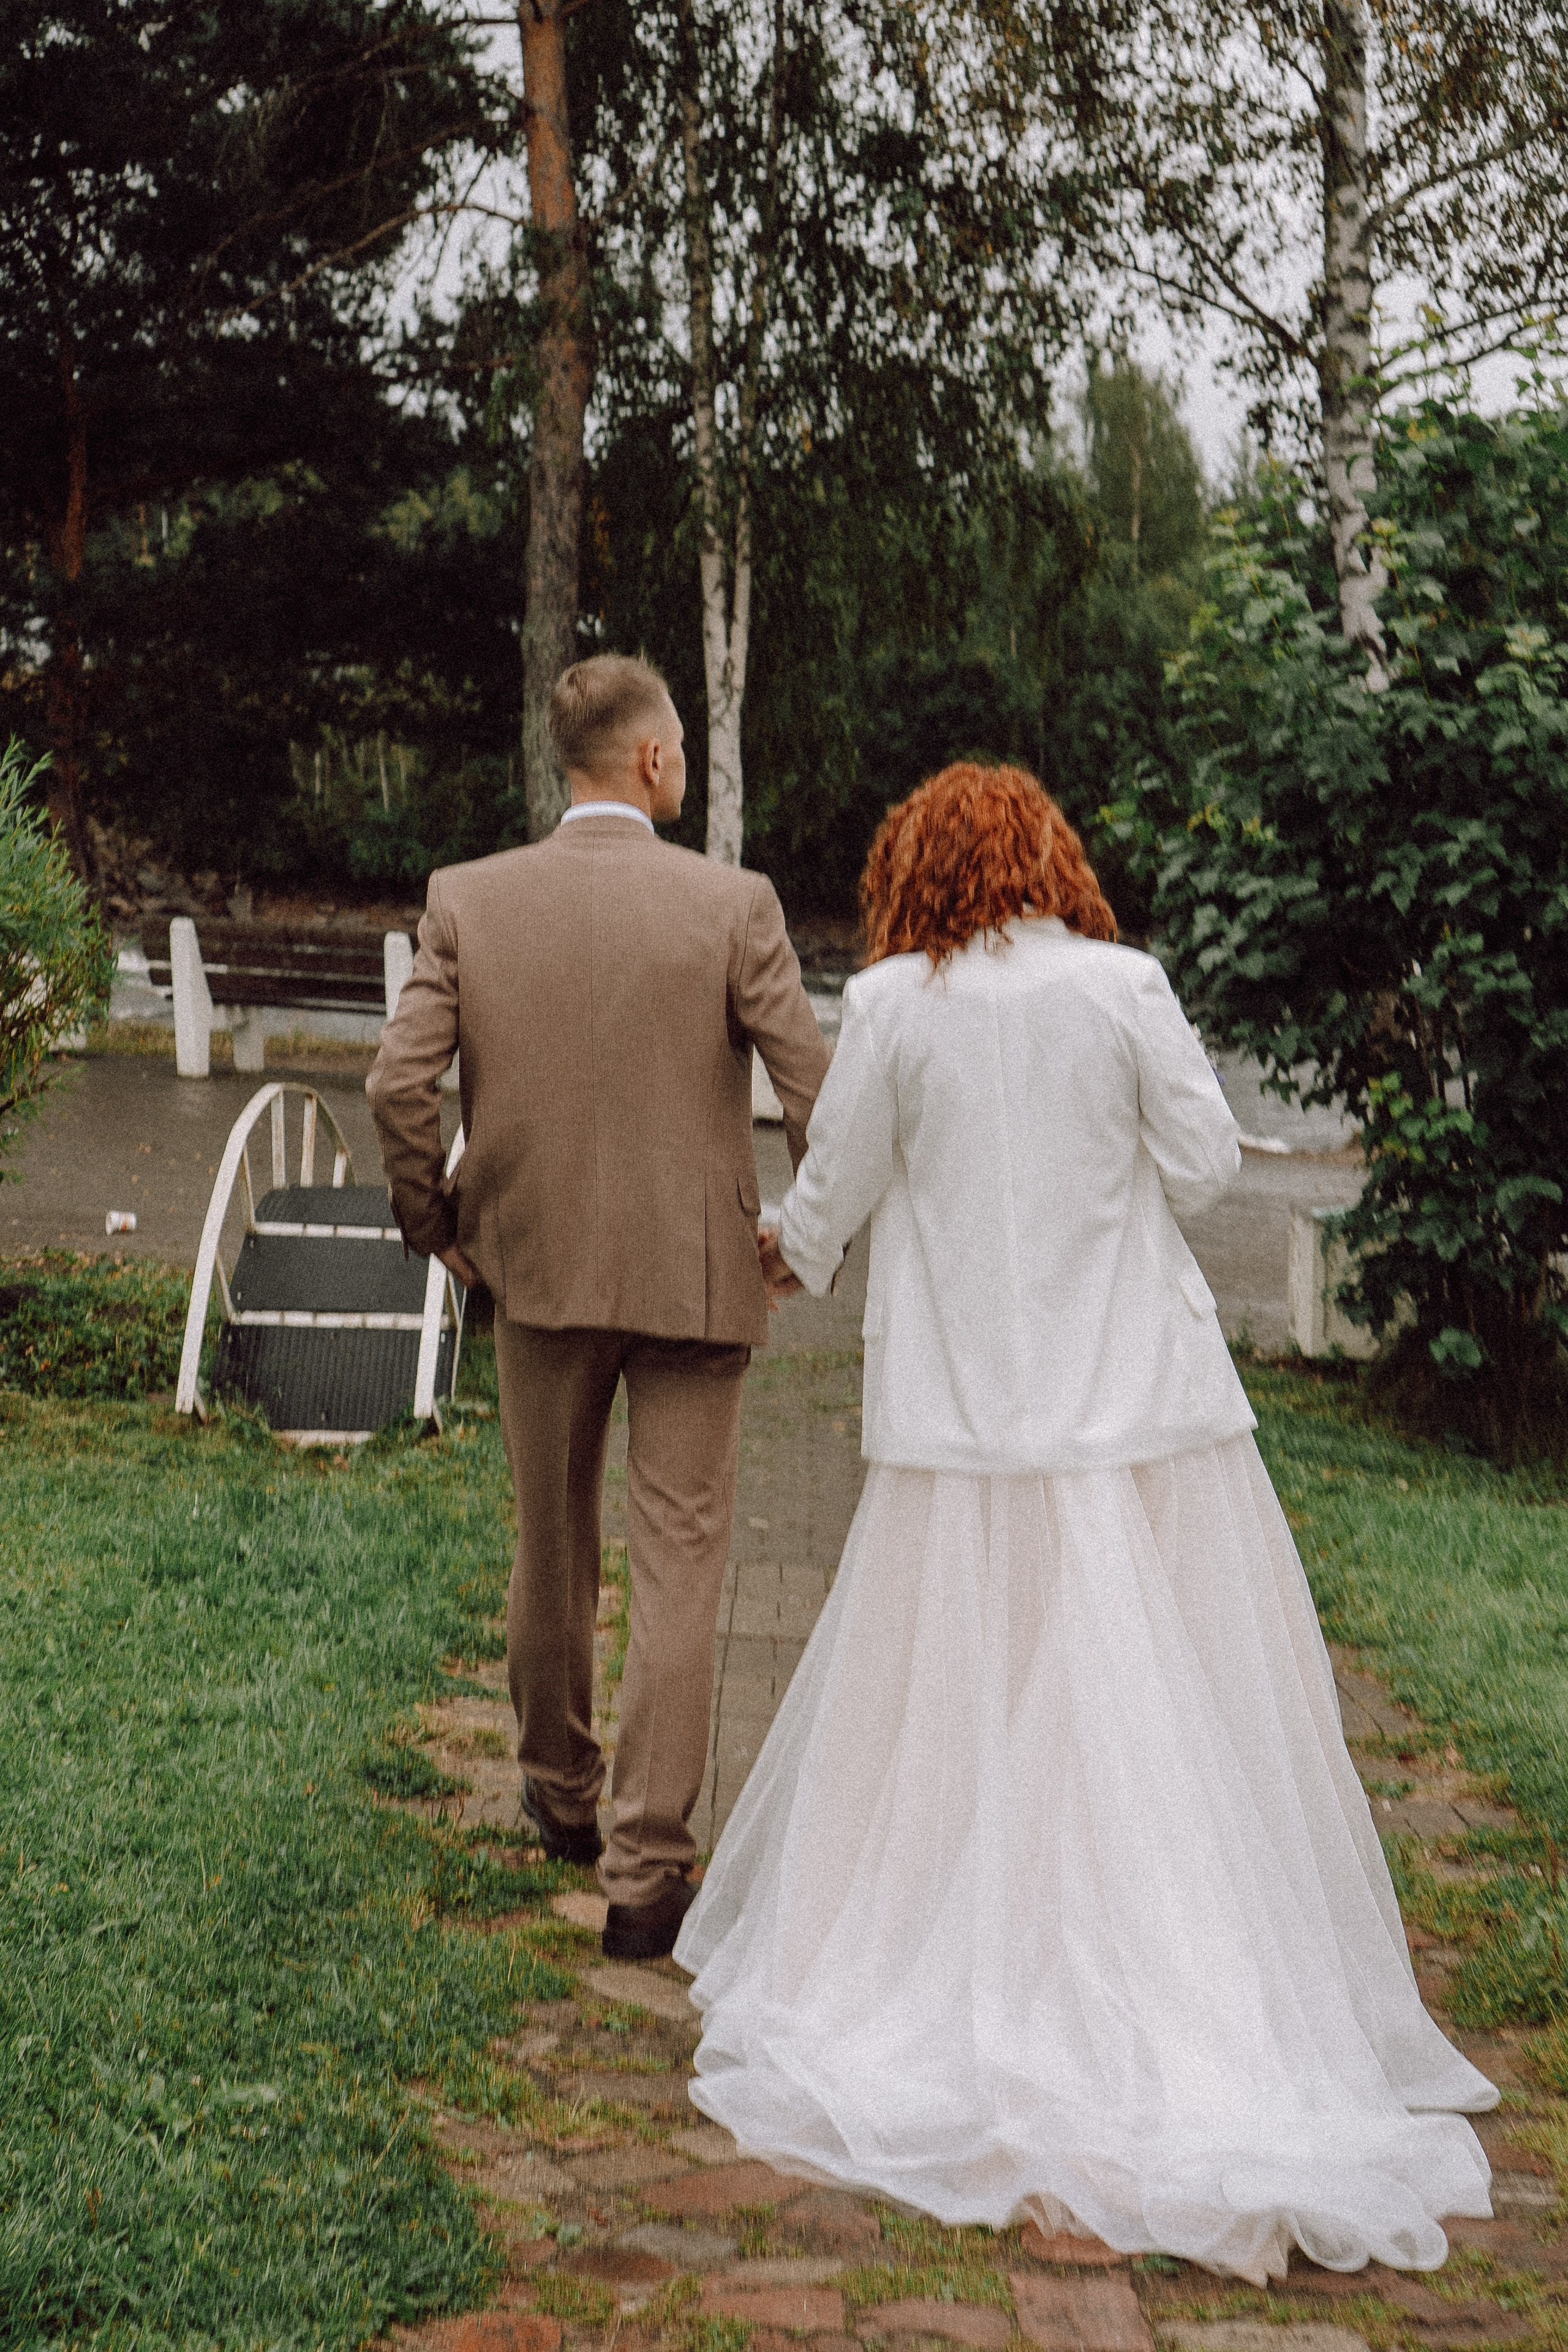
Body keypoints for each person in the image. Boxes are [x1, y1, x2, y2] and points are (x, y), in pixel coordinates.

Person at [674, 761, 1496, 2282]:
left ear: (912, 870)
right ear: (1051, 856)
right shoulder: (1125, 986)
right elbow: (1195, 1165)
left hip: (963, 1418)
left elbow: (833, 1186)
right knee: (1152, 1699)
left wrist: (785, 1255)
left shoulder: (896, 1005)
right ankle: (1181, 1980)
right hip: (1134, 1407)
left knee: (963, 1696)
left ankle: (959, 1953)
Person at [367, 653, 830, 1960]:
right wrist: (809, 1235)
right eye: (678, 742)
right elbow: (818, 1100)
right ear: (649, 761)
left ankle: (561, 1792)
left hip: (538, 1271)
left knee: (552, 1536)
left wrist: (435, 1225)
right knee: (682, 1562)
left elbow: (397, 1089)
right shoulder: (733, 906)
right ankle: (643, 1875)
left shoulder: (470, 898)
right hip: (697, 1280)